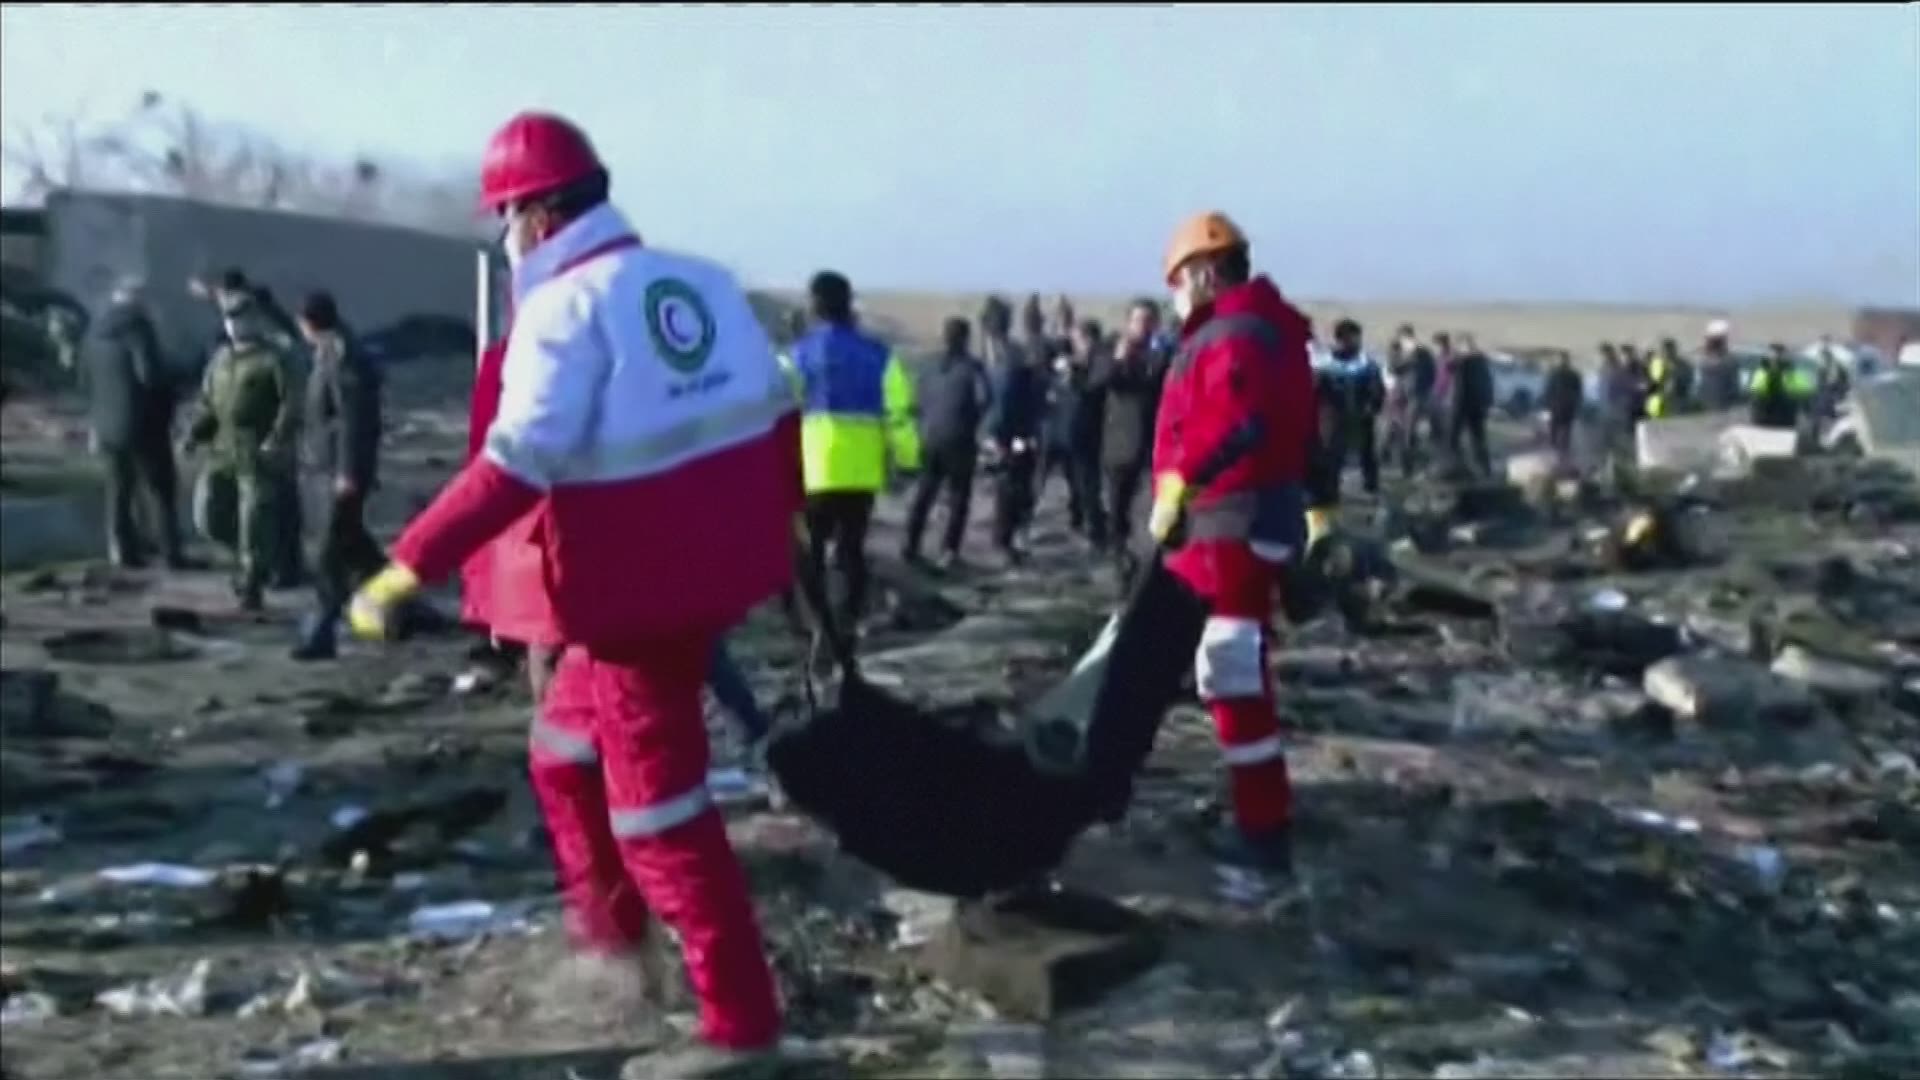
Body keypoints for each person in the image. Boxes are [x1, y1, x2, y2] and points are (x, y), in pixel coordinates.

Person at [344, 111, 800, 1077]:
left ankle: (740, 1028)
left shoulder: (564, 311)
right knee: (561, 755)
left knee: (659, 819)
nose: (506, 237)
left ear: (542, 218)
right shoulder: (703, 282)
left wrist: (404, 568)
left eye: (506, 217)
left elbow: (513, 469)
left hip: (636, 607)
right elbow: (774, 421)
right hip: (683, 585)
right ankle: (611, 945)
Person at [1147, 210, 1315, 873]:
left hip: (1229, 527)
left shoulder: (1231, 337)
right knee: (1229, 670)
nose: (1176, 298)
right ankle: (1259, 813)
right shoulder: (1268, 332)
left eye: (1178, 282)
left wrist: (1181, 485)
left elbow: (1234, 424)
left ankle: (1261, 830)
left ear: (1204, 273)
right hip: (1240, 522)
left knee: (1232, 670)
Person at [788, 270, 921, 633]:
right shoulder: (881, 356)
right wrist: (908, 459)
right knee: (851, 549)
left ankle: (817, 626)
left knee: (809, 550)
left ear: (813, 306)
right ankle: (848, 621)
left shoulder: (798, 355)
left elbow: (778, 410)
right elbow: (899, 415)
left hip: (815, 469)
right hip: (862, 470)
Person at [182, 291, 301, 610]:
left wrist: (277, 439)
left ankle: (252, 581)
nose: (236, 325)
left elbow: (291, 405)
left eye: (243, 318)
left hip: (257, 451)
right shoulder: (220, 360)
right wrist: (194, 434)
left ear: (256, 321)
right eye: (230, 319)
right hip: (222, 448)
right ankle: (254, 557)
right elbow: (208, 405)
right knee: (207, 515)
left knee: (255, 518)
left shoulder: (273, 359)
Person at [290, 291, 385, 660]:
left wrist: (347, 471)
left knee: (328, 554)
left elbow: (351, 421)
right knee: (356, 547)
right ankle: (405, 601)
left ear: (310, 324)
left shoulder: (342, 359)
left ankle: (320, 632)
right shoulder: (331, 351)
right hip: (325, 466)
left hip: (336, 471)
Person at [82, 279, 186, 570]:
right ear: (139, 301)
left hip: (106, 425)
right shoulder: (139, 328)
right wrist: (176, 376)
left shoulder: (94, 329)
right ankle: (170, 552)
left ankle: (122, 551)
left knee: (119, 490)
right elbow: (150, 375)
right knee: (161, 488)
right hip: (142, 423)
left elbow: (83, 377)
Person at [903, 316, 991, 569]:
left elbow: (916, 399)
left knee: (925, 493)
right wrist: (974, 419)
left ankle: (910, 544)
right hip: (960, 438)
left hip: (930, 436)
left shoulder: (929, 365)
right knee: (959, 497)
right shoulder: (973, 367)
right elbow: (985, 398)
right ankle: (949, 550)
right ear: (966, 338)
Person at [1094, 299, 1166, 559]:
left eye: (1149, 321)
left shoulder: (1161, 356)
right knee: (1118, 509)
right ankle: (1120, 558)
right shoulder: (1111, 352)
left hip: (1152, 446)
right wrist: (1119, 360)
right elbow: (1099, 383)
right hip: (1119, 446)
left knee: (1152, 512)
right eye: (1138, 321)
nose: (1143, 327)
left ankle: (1148, 561)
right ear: (1128, 323)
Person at [1038, 318, 1105, 541]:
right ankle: (1078, 519)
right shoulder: (1068, 362)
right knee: (1051, 480)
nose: (1075, 344)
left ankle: (1092, 529)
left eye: (1078, 339)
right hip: (1059, 431)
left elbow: (1092, 391)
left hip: (1085, 433)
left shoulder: (1099, 363)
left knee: (1086, 485)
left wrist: (1074, 376)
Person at [986, 319, 1046, 565]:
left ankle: (1007, 538)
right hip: (1016, 438)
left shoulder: (1020, 377)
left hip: (1020, 438)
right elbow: (1008, 411)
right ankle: (1004, 540)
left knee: (1015, 489)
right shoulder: (1018, 378)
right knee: (1012, 489)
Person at [1319, 318, 1385, 495]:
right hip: (1333, 420)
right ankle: (1330, 491)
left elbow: (1377, 390)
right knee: (1332, 457)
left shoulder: (1366, 364)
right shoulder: (1325, 365)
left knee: (1367, 454)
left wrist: (1372, 406)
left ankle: (1371, 487)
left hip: (1362, 417)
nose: (1356, 342)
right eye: (1352, 338)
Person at [1447, 334, 1494, 476]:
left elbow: (1450, 367)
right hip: (1473, 405)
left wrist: (1459, 355)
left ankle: (1458, 466)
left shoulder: (1470, 361)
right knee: (1475, 438)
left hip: (1464, 404)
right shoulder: (1479, 361)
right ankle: (1482, 468)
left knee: (1458, 438)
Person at [1748, 345, 1815, 430]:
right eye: (1774, 356)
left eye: (1779, 356)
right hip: (1764, 419)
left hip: (1784, 420)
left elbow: (1805, 393)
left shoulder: (1791, 374)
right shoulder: (1761, 373)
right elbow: (1754, 394)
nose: (1776, 359)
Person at [1543, 350, 1585, 459]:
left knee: (1559, 429)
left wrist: (1547, 402)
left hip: (1561, 405)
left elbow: (1549, 389)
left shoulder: (1556, 374)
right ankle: (1560, 451)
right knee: (1560, 430)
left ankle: (1558, 451)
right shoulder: (1569, 374)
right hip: (1563, 405)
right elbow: (1579, 392)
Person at [1696, 320, 1741, 411]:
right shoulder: (1704, 359)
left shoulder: (1729, 361)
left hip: (1722, 407)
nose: (1707, 343)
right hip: (1703, 406)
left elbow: (1733, 387)